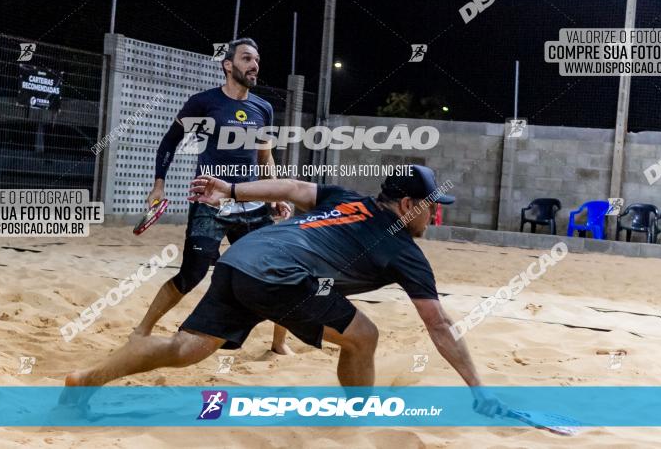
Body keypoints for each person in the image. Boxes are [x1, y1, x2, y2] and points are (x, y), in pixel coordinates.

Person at [64, 165, 506, 418]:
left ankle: (86, 380)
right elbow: (441, 325)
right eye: (430, 209)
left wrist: (233, 190)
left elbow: (293, 189)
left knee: (187, 348)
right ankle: (357, 421)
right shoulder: (402, 249)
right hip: (280, 273)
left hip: (243, 257)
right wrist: (479, 391)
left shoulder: (345, 197)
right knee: (364, 337)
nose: (433, 218)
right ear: (408, 206)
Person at [138, 37, 293, 354]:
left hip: (250, 203)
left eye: (257, 60)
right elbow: (170, 142)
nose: (254, 65)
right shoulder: (203, 103)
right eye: (247, 58)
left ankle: (278, 345)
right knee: (191, 274)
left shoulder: (263, 108)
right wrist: (158, 184)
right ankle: (142, 330)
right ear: (228, 65)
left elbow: (265, 157)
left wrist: (275, 192)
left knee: (280, 269)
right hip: (210, 203)